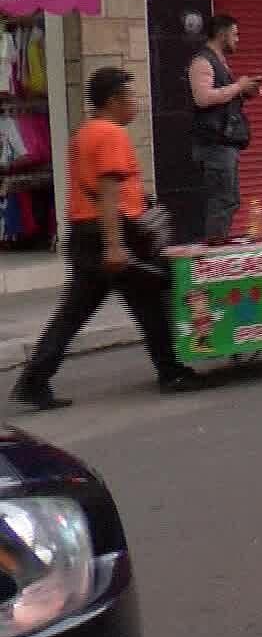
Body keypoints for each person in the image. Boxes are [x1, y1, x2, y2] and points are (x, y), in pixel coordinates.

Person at [13, 68, 203, 410]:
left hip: (85, 236)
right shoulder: (110, 134)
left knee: (73, 314)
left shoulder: (85, 133)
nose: (136, 103)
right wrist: (116, 245)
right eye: (131, 96)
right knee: (151, 302)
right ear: (114, 100)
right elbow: (108, 190)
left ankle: (33, 381)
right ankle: (171, 372)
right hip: (111, 236)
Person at [187, 15, 259, 241]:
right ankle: (215, 252)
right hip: (213, 146)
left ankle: (220, 244)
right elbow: (202, 98)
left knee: (229, 199)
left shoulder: (219, 62)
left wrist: (245, 90)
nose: (238, 39)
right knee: (222, 200)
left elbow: (222, 96)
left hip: (224, 145)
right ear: (221, 33)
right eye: (235, 34)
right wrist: (238, 86)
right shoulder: (202, 62)